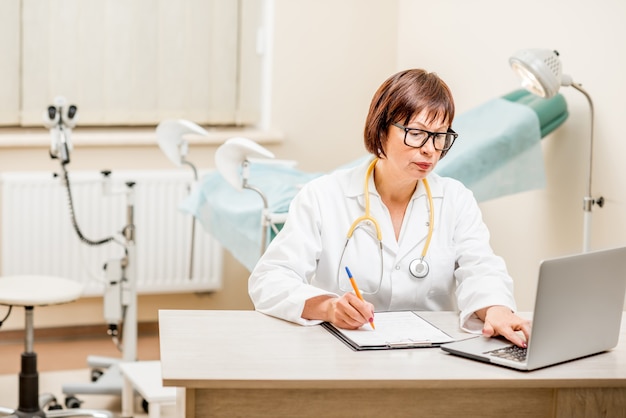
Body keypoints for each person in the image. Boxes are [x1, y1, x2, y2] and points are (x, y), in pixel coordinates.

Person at [248, 68, 531, 347]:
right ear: (381, 131)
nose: (430, 150)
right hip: (343, 354)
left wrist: (496, 309)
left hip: (430, 357)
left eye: (440, 135)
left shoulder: (456, 200)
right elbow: (269, 280)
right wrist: (328, 307)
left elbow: (481, 268)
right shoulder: (323, 196)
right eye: (417, 133)